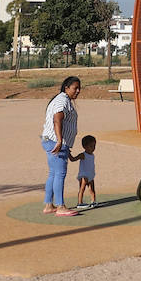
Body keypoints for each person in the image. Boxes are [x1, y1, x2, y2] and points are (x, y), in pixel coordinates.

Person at [41, 77, 82, 215]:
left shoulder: (62, 99)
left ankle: (48, 205)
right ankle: (60, 206)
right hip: (55, 142)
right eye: (75, 88)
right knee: (60, 174)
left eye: (79, 88)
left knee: (53, 173)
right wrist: (59, 141)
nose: (78, 91)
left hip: (52, 141)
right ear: (66, 88)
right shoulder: (62, 100)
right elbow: (57, 119)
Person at [72, 134, 98, 208]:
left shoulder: (92, 155)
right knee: (82, 189)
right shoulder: (83, 155)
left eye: (94, 146)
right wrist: (68, 153)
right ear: (85, 147)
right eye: (91, 146)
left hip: (91, 174)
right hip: (84, 175)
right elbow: (73, 159)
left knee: (92, 189)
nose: (93, 148)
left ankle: (93, 201)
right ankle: (80, 203)